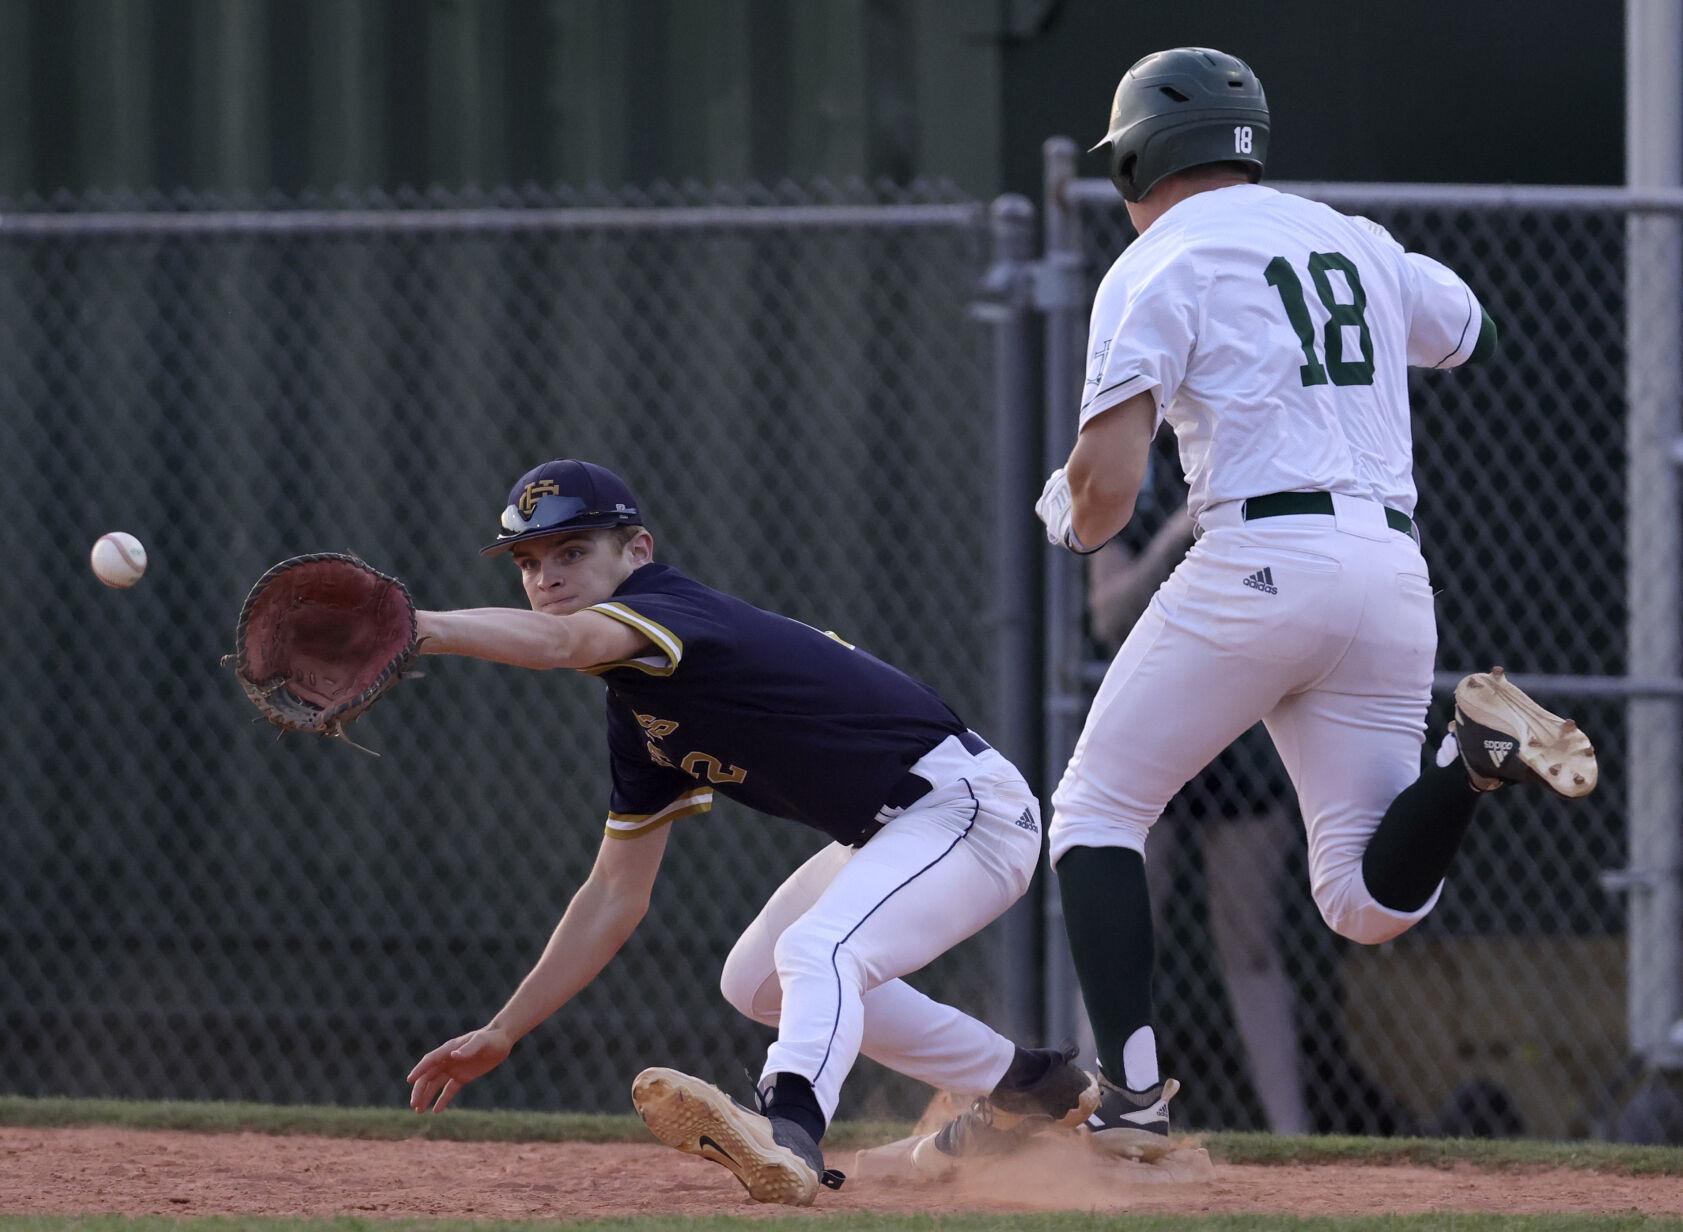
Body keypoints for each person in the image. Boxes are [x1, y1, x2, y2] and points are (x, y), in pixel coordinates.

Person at [1033, 46, 1598, 1159]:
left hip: (1258, 552)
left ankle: (1135, 1100)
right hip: (1390, 571)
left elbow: (1104, 498)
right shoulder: (1353, 236)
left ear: (1138, 156)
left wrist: (1064, 511)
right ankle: (1467, 760)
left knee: (1096, 811)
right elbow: (1467, 328)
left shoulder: (1156, 260)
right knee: (1369, 905)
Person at [403, 458, 1096, 1206]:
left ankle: (789, 1129)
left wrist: (418, 629)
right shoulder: (639, 717)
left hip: (966, 808)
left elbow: (560, 643)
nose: (548, 578)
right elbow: (612, 894)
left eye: (573, 552)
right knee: (757, 980)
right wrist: (506, 1029)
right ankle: (1031, 1086)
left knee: (818, 948)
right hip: (898, 825)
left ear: (636, 550)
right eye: (529, 562)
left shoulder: (670, 609)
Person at [1089, 493, 1310, 1136]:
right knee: (1121, 934)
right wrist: (1175, 539)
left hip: (1244, 738)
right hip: (1156, 723)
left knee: (1250, 943)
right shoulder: (1135, 477)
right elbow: (1107, 615)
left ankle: (1294, 1135)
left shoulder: (1273, 469)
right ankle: (1105, 1107)